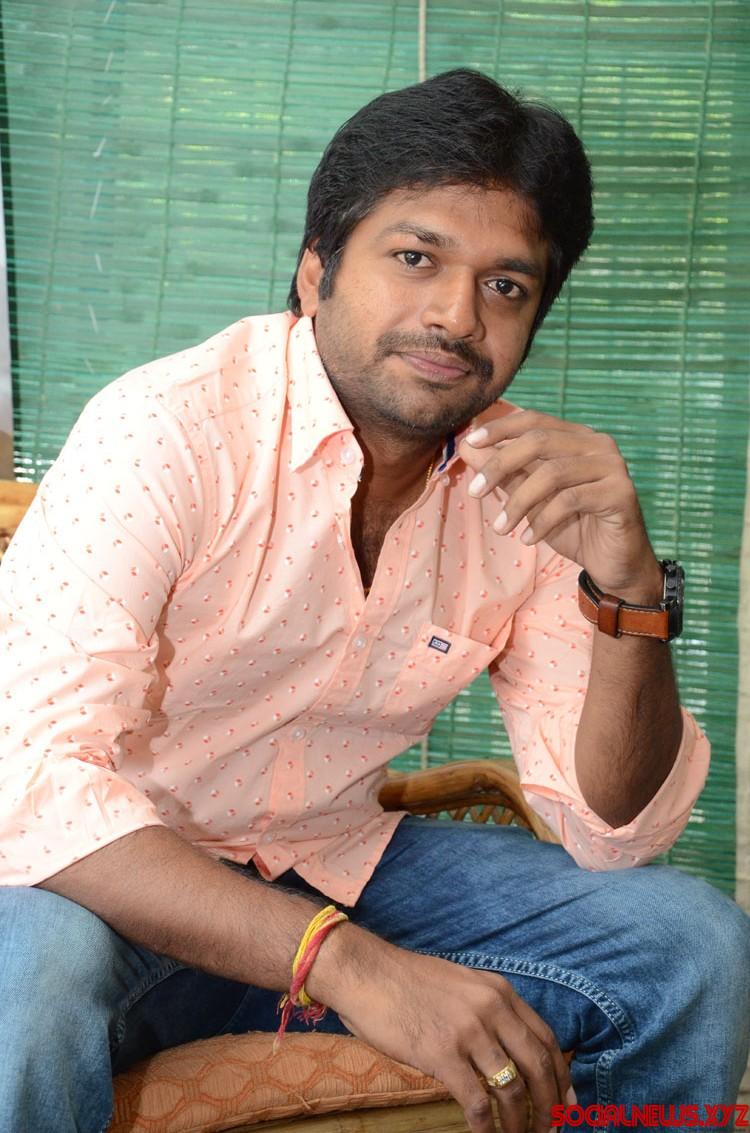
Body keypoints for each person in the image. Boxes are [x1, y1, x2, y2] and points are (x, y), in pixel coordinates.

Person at [0, 68, 747, 1133]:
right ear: (316, 271)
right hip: (113, 890)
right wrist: (346, 962)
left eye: (506, 285)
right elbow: (31, 786)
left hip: (335, 858)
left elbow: (613, 831)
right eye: (414, 257)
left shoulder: (525, 494)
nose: (455, 315)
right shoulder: (166, 430)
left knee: (691, 942)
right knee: (22, 972)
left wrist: (627, 591)